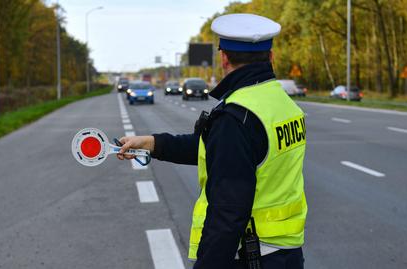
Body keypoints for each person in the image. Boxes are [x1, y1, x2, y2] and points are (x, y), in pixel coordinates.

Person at [117, 13, 307, 269]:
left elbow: (228, 212)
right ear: (270, 57)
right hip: (288, 253)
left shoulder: (237, 116)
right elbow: (220, 150)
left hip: (249, 255)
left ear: (224, 58)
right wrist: (151, 143)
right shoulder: (282, 103)